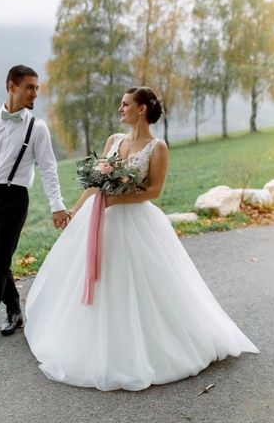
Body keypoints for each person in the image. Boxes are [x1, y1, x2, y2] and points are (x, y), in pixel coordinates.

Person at [25, 86, 259, 391]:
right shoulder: (114, 140)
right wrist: (75, 210)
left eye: (125, 105)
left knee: (134, 283)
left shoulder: (156, 147)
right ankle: (92, 340)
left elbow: (154, 192)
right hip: (97, 218)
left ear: (141, 110)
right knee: (96, 279)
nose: (120, 109)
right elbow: (96, 185)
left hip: (134, 221)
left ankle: (146, 348)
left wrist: (115, 202)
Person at [0, 64, 70, 347]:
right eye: (29, 87)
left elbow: (48, 169)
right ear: (11, 86)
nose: (35, 93)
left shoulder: (37, 128)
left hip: (15, 199)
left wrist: (57, 205)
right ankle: (14, 309)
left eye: (37, 88)